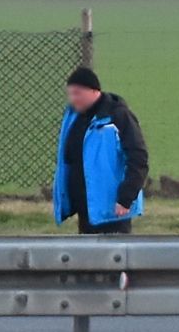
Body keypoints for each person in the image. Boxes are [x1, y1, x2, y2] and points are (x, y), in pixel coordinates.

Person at [53, 67, 148, 234]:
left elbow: (138, 158)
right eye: (70, 94)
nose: (72, 99)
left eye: (77, 93)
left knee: (113, 257)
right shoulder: (73, 117)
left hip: (112, 210)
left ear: (93, 91)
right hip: (86, 208)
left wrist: (126, 198)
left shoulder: (118, 116)